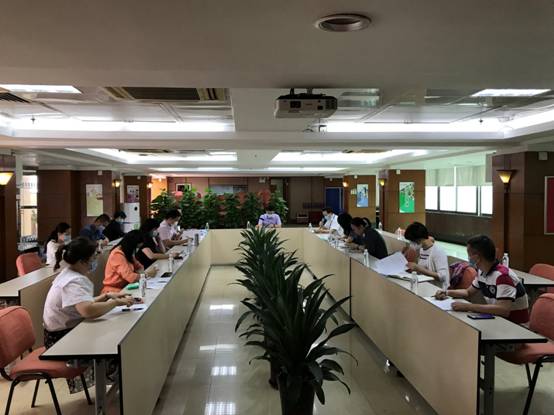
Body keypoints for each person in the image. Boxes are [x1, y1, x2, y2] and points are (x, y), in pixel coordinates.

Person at [42, 237, 134, 392]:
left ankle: (119, 388)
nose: (95, 261)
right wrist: (115, 303)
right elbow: (88, 310)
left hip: (60, 333)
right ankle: (118, 389)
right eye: (93, 258)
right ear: (81, 261)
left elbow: (81, 303)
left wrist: (106, 296)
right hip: (60, 340)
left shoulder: (69, 274)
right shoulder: (73, 281)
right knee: (114, 343)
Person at [435, 235, 529, 324]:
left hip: (515, 325)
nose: (468, 258)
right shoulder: (482, 272)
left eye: (469, 255)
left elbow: (503, 310)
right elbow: (468, 292)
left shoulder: (502, 276)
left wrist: (467, 306)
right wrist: (447, 292)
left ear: (477, 257)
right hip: (498, 320)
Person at [404, 222, 449, 286]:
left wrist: (419, 268)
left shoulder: (438, 251)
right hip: (424, 284)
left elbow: (443, 277)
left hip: (436, 288)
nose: (411, 244)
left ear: (420, 239)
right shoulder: (421, 249)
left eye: (412, 241)